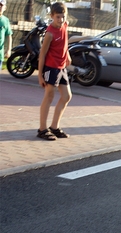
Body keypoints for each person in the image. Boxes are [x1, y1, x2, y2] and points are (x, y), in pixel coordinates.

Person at [37, 2, 72, 140]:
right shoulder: (49, 34)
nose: (60, 20)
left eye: (62, 17)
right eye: (58, 17)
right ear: (52, 16)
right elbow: (42, 55)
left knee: (67, 96)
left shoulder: (65, 25)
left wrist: (67, 54)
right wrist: (40, 75)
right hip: (51, 68)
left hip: (61, 67)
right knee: (49, 96)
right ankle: (42, 129)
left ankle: (54, 127)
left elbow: (65, 42)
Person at [0, 0, 12, 70]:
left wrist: (9, 49)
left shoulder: (5, 20)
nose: (0, 7)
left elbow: (9, 35)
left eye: (2, 5)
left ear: (5, 8)